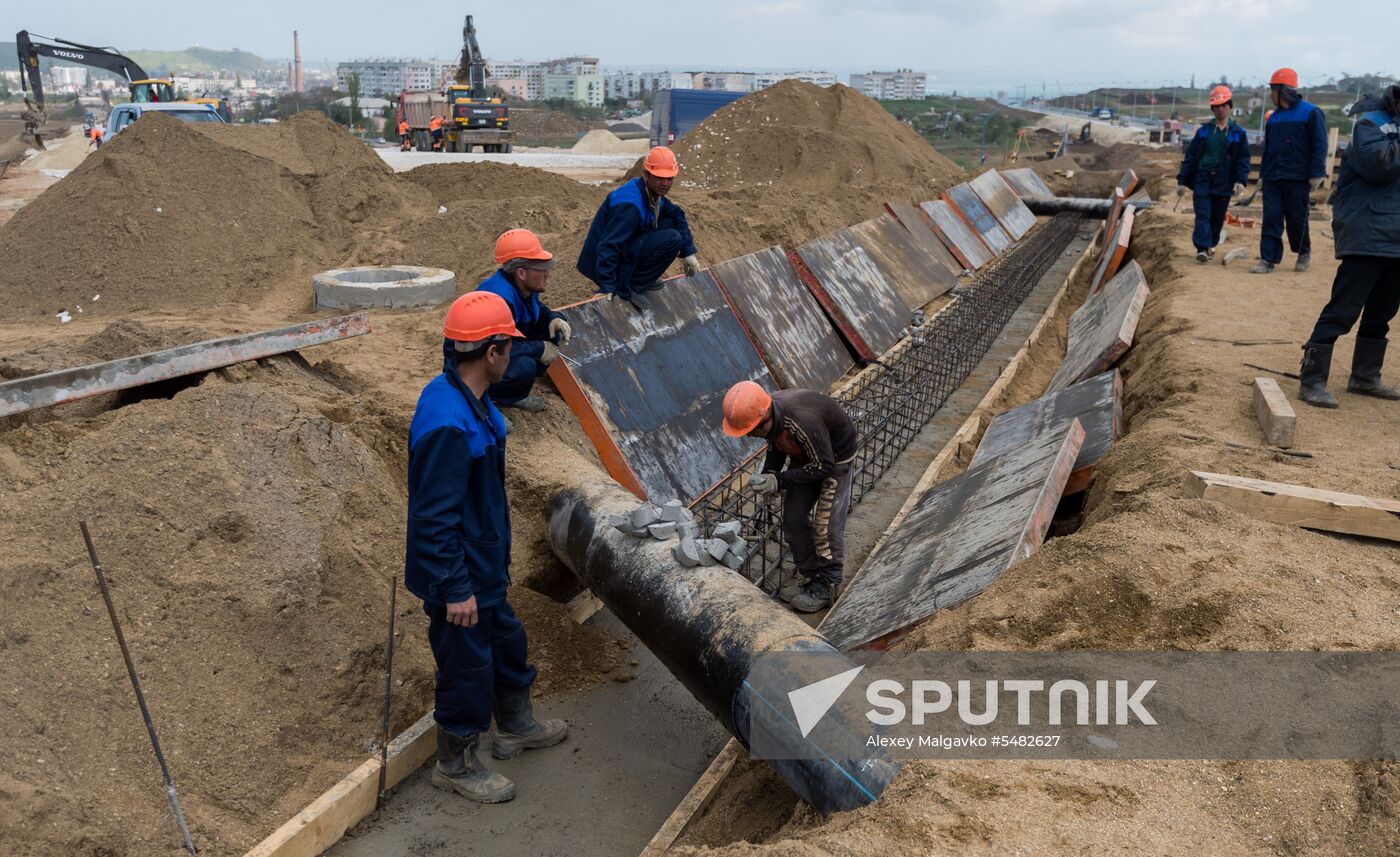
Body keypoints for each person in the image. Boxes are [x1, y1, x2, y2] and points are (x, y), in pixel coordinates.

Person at [405, 290, 569, 804]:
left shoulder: (469, 399)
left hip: (483, 567)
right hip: (461, 577)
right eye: (511, 349)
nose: (516, 358)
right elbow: (432, 518)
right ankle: (455, 763)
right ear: (493, 352)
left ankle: (516, 727)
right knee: (466, 669)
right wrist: (455, 589)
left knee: (506, 644)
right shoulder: (448, 423)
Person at [1296, 85, 1400, 408]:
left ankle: (1365, 376)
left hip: (1396, 237)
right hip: (1367, 232)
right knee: (1344, 308)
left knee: (1383, 311)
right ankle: (1312, 378)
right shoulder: (1370, 123)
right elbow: (1379, 164)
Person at [721, 381, 858, 614]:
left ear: (765, 419)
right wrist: (770, 475)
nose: (752, 436)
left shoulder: (802, 420)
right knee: (793, 520)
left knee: (825, 525)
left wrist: (781, 481)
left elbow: (824, 465)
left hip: (834, 460)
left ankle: (829, 583)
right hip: (806, 456)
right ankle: (813, 577)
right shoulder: (766, 411)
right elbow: (775, 445)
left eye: (753, 431)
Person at [577, 146, 700, 312]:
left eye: (669, 178)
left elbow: (677, 214)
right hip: (602, 262)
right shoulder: (630, 205)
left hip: (628, 246)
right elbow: (608, 246)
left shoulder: (652, 194)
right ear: (647, 174)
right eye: (660, 178)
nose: (665, 184)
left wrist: (688, 252)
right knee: (673, 238)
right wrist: (608, 286)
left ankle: (638, 280)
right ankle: (631, 286)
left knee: (670, 221)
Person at [474, 229, 572, 413]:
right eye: (542, 269)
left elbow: (537, 309)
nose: (548, 273)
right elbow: (492, 350)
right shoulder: (498, 299)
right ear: (521, 273)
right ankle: (484, 402)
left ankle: (511, 395)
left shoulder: (524, 288)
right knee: (525, 366)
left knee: (549, 333)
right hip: (478, 360)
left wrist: (554, 319)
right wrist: (539, 348)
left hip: (499, 347)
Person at [1253, 68, 1328, 274]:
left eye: (1272, 90)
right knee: (1271, 218)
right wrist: (1262, 176)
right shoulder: (1274, 118)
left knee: (1297, 218)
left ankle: (1303, 252)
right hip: (1273, 177)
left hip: (1298, 177)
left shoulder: (1310, 113)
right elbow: (1269, 149)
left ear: (1283, 90)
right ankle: (1268, 259)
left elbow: (1319, 144)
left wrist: (1316, 173)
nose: (1271, 95)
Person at [1177, 85, 1250, 263]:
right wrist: (1181, 180)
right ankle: (1202, 248)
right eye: (1216, 106)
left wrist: (1240, 180)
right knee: (1203, 214)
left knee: (1217, 218)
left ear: (1229, 106)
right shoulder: (1203, 132)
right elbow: (1191, 156)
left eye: (1223, 105)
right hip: (1203, 178)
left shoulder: (1238, 133)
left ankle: (1210, 244)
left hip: (1224, 181)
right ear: (1212, 108)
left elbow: (1243, 159)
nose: (1220, 109)